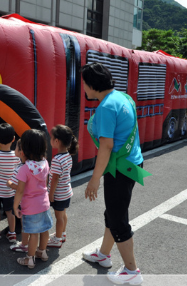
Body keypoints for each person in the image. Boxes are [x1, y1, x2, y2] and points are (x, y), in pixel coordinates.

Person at [81, 63, 149, 285]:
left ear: (92, 85)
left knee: (118, 220)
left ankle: (132, 271)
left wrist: (94, 179)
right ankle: (104, 254)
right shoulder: (124, 97)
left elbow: (106, 146)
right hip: (130, 164)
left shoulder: (106, 108)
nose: (83, 88)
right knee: (113, 212)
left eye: (84, 83)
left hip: (118, 169)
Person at [13, 129, 53, 269]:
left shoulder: (24, 169)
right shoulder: (45, 163)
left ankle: (29, 259)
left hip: (30, 207)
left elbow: (20, 190)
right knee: (44, 229)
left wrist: (15, 206)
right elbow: (45, 183)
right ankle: (42, 252)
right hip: (44, 203)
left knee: (33, 234)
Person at [47, 124, 79, 248]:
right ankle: (62, 234)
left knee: (58, 217)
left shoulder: (57, 159)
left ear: (56, 141)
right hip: (66, 192)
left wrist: (50, 194)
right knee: (63, 214)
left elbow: (54, 178)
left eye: (51, 138)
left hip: (59, 194)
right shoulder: (67, 156)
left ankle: (57, 239)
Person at [7, 139, 29, 252]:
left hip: (24, 202)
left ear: (21, 153)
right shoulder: (38, 164)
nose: (14, 149)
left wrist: (9, 183)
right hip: (37, 201)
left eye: (16, 147)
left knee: (24, 224)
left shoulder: (20, 168)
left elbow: (18, 187)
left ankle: (24, 244)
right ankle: (41, 249)